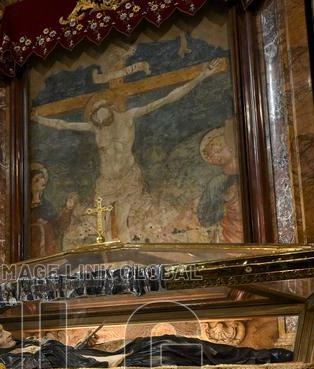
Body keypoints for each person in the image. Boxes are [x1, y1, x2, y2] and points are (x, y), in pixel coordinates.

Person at [32, 58, 228, 241]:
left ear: (109, 107)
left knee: (123, 223)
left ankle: (124, 266)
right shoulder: (95, 127)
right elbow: (63, 125)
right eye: (93, 114)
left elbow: (167, 99)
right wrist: (38, 119)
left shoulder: (128, 117)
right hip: (106, 182)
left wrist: (201, 75)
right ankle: (107, 268)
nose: (97, 118)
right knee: (104, 230)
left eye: (100, 111)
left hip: (127, 179)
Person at [0, 319, 292, 369]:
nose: (7, 334)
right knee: (170, 352)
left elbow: (69, 355)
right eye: (0, 335)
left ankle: (258, 355)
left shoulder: (23, 345)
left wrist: (88, 346)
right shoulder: (14, 364)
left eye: (3, 329)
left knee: (169, 340)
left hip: (106, 358)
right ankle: (259, 361)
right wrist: (113, 361)